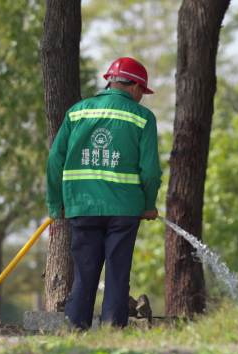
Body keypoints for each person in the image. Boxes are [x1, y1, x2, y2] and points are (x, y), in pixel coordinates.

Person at [46, 57, 162, 329]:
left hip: (82, 206)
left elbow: (54, 161)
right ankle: (112, 330)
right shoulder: (142, 118)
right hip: (125, 210)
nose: (141, 98)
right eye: (142, 93)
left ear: (111, 81)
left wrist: (56, 205)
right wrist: (148, 204)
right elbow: (150, 171)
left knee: (85, 274)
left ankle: (76, 329)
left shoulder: (77, 112)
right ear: (134, 86)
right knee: (118, 273)